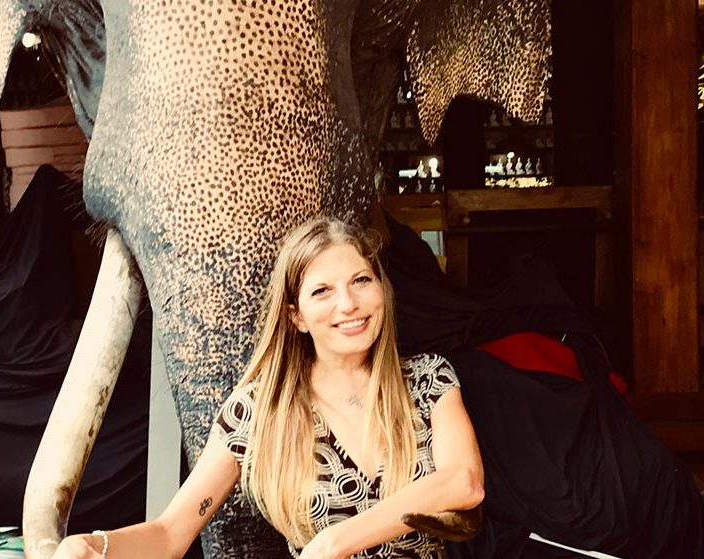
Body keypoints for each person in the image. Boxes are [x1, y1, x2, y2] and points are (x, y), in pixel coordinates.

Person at [53, 217, 484, 559]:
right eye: (322, 291)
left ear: (382, 291)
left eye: (361, 280)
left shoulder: (429, 380)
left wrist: (334, 543)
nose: (348, 304)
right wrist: (97, 546)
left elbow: (463, 483)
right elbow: (170, 535)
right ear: (296, 316)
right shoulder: (258, 411)